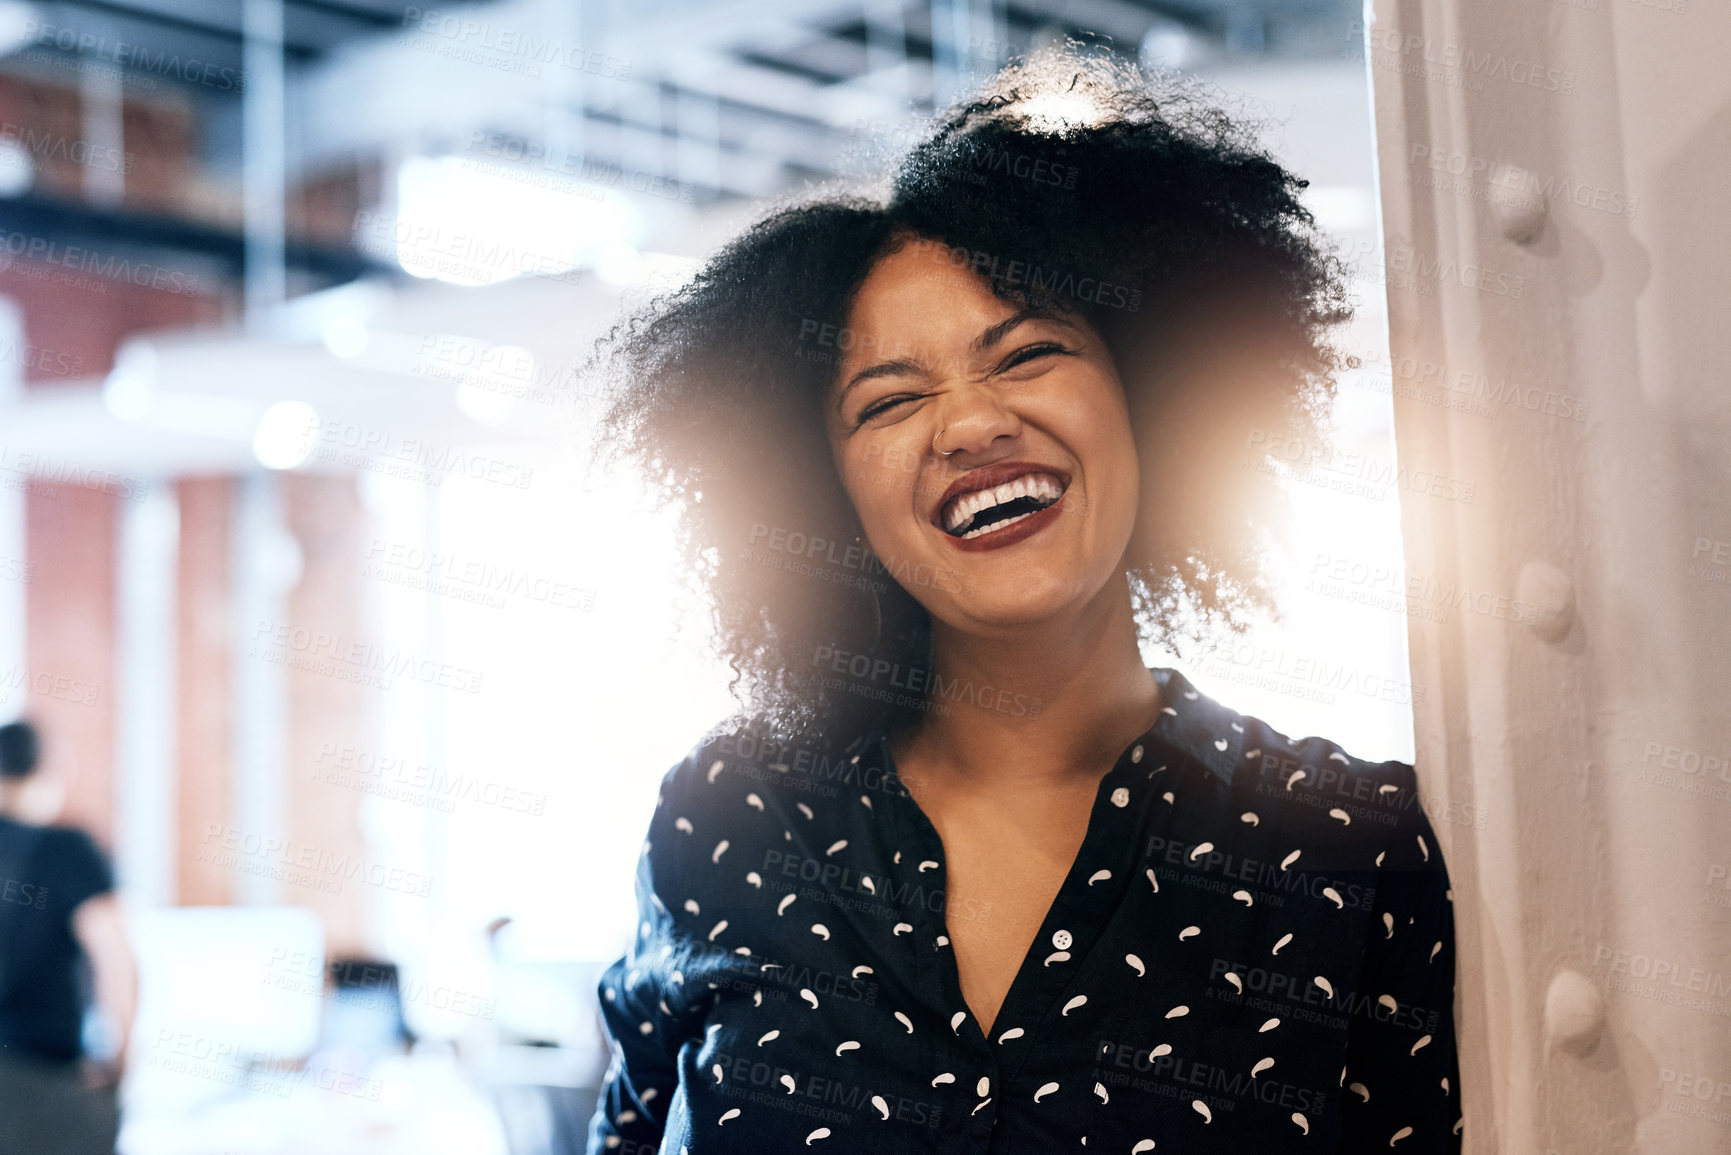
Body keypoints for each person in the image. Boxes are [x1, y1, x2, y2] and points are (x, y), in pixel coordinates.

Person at [583, 49, 1461, 1153]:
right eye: (889, 400)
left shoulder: (1343, 845)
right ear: (825, 495)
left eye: (1030, 352)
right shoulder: (730, 818)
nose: (969, 425)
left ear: (1155, 397)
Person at [0, 719, 137, 1155]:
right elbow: (115, 959)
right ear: (47, 771)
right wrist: (120, 1060)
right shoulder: (68, 850)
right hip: (41, 1082)